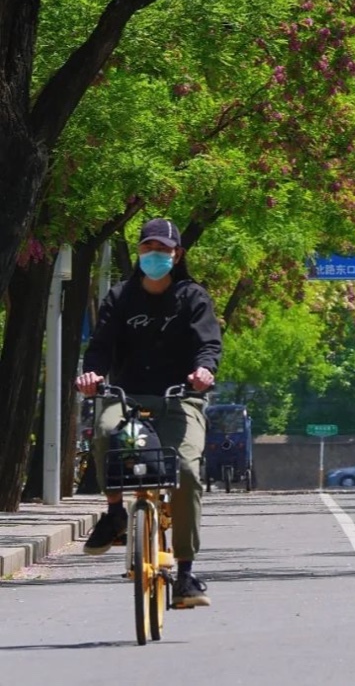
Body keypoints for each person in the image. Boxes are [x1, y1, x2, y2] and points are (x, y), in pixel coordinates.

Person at [75, 218, 222, 610]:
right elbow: (101, 346)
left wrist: (204, 372)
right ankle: (114, 514)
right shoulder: (120, 297)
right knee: (105, 431)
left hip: (180, 399)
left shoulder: (193, 297)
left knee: (186, 472)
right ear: (138, 252)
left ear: (177, 254)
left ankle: (187, 573)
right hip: (126, 394)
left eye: (162, 249)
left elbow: (209, 345)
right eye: (147, 248)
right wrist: (93, 374)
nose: (154, 256)